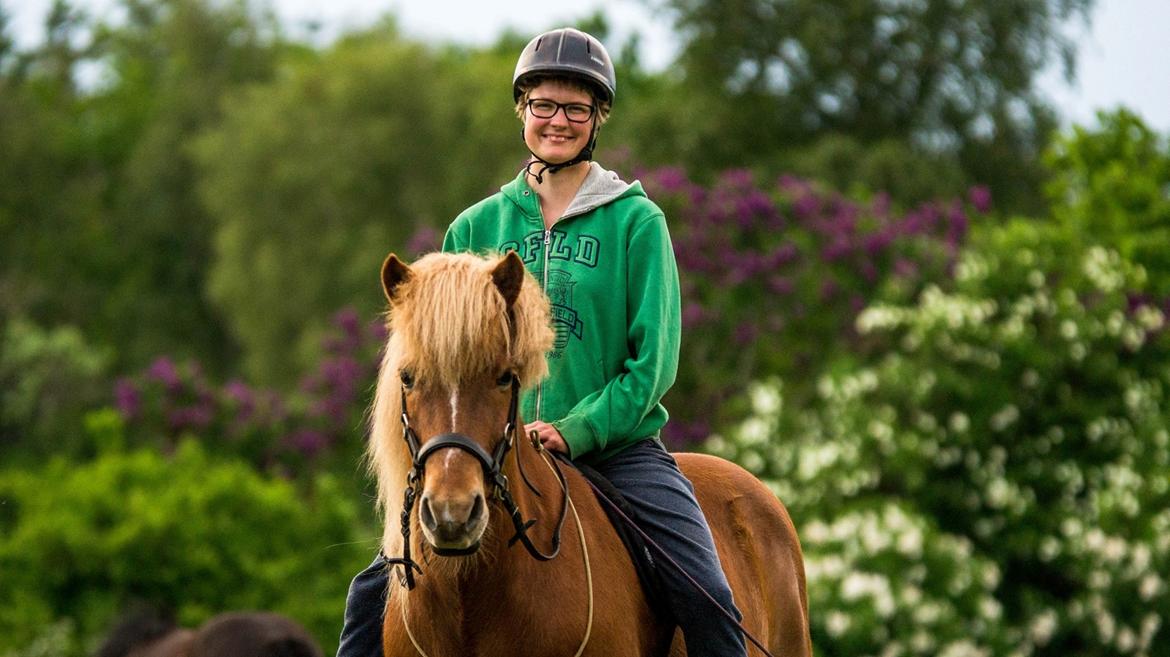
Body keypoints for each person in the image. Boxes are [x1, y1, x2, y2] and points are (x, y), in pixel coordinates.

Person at [337, 27, 746, 657]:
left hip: (618, 453)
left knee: (708, 594)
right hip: (487, 452)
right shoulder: (476, 225)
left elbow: (653, 365)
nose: (558, 120)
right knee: (370, 602)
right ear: (522, 111)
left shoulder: (637, 222)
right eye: (543, 105)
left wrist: (575, 430)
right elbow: (444, 365)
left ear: (598, 117)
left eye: (576, 108)